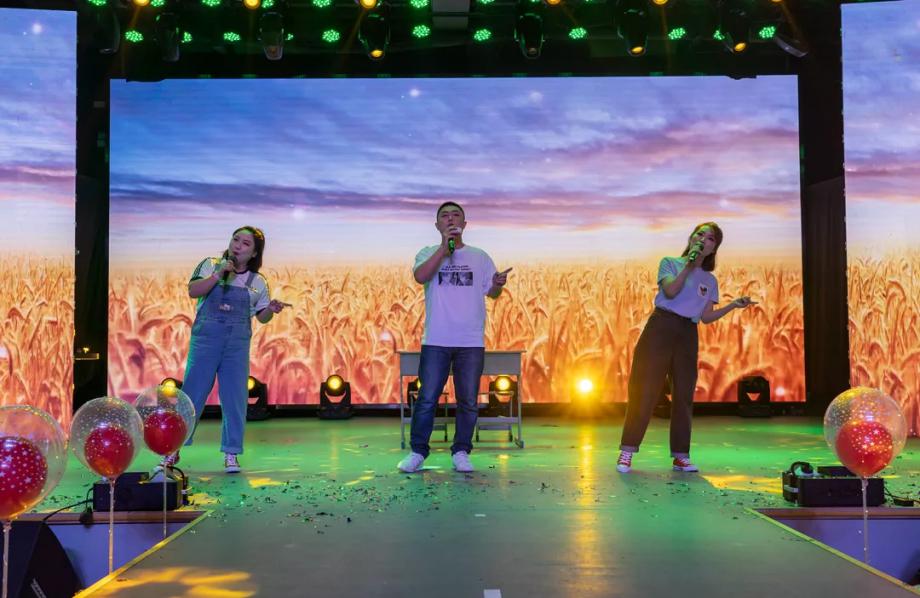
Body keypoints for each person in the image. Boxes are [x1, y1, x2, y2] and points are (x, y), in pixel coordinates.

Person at [616, 222, 756, 474]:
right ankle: (627, 450)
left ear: (713, 249)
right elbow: (670, 291)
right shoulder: (670, 263)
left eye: (710, 238)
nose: (703, 239)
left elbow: (706, 317)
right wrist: (689, 266)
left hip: (688, 333)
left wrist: (733, 305)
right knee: (644, 390)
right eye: (699, 234)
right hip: (661, 326)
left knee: (683, 394)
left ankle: (681, 455)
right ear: (691, 238)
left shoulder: (710, 280)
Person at [398, 202, 511, 473]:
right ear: (437, 225)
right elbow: (421, 276)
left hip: (470, 341)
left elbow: (492, 293)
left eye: (456, 215)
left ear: (465, 223)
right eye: (445, 216)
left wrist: (497, 285)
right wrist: (443, 249)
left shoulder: (480, 256)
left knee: (468, 401)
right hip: (436, 339)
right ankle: (418, 452)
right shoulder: (428, 253)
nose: (451, 219)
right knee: (427, 398)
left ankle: (461, 451)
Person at [168, 226, 289, 474]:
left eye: (245, 244)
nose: (238, 246)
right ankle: (173, 448)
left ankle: (231, 452)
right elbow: (193, 291)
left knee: (235, 398)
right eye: (236, 240)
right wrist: (218, 274)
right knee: (192, 395)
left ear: (254, 253)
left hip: (236, 346)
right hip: (206, 341)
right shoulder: (210, 265)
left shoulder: (257, 281)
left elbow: (261, 317)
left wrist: (271, 309)